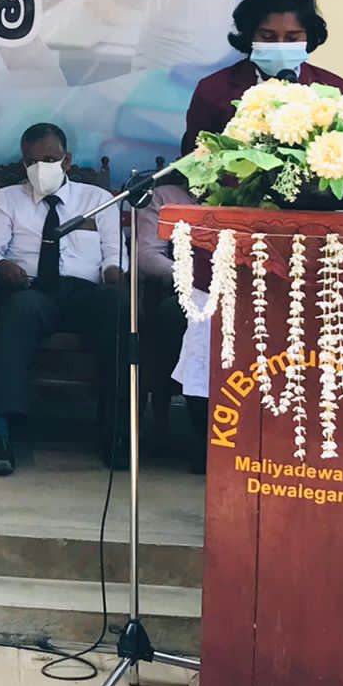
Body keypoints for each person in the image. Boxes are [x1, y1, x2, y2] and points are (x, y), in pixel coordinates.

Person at [0, 122, 126, 475]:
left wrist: (114, 272)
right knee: (20, 308)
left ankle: (117, 430)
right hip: (32, 289)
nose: (40, 168)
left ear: (66, 160)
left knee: (118, 306)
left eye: (49, 159)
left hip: (86, 293)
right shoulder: (8, 199)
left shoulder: (97, 199)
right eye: (31, 162)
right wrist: (1, 265)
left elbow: (115, 254)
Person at [182, 0, 343, 154]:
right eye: (267, 37)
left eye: (292, 38)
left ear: (308, 36)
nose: (280, 45)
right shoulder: (213, 90)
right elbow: (194, 158)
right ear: (250, 35)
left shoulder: (338, 91)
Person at [135, 180, 208, 472]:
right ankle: (202, 435)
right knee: (175, 316)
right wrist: (191, 277)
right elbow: (146, 256)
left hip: (243, 291)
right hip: (187, 290)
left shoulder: (251, 192)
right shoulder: (164, 197)